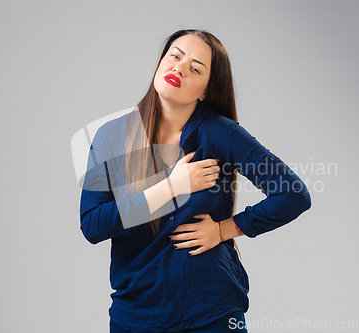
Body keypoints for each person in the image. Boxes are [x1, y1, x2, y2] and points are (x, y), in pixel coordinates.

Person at [79, 29, 312, 333]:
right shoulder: (111, 136)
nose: (179, 67)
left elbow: (293, 194)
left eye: (195, 68)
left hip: (210, 312)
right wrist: (171, 187)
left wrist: (222, 230)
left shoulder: (220, 132)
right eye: (174, 56)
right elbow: (93, 225)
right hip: (135, 317)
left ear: (206, 90)